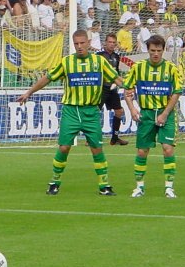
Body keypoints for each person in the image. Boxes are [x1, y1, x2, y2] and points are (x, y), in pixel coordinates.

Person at [18, 30, 123, 196]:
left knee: (97, 148)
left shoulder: (99, 61)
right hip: (71, 111)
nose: (79, 47)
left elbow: (117, 79)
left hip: (91, 111)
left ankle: (104, 185)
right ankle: (54, 182)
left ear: (88, 43)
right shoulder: (67, 62)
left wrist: (131, 86)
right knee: (64, 147)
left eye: (82, 43)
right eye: (76, 44)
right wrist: (29, 93)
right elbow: (47, 78)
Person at [123, 35, 183, 198]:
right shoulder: (138, 68)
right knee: (142, 151)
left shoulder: (171, 68)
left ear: (163, 50)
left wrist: (164, 114)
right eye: (152, 51)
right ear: (147, 50)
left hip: (166, 113)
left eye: (158, 50)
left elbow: (177, 92)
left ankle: (169, 188)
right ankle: (139, 187)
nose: (155, 54)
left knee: (167, 148)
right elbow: (127, 90)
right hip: (146, 114)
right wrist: (132, 109)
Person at [97, 33, 129, 146]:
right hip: (101, 88)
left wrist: (119, 84)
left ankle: (115, 138)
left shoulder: (116, 56)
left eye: (113, 43)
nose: (111, 44)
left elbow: (116, 72)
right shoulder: (99, 56)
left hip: (112, 88)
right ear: (105, 43)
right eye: (109, 42)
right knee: (95, 111)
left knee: (119, 111)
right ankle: (91, 138)